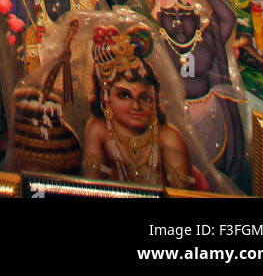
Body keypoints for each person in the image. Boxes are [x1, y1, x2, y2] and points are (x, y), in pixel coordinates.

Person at [147, 0, 245, 180]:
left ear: (195, 18)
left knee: (212, 172)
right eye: (170, 15)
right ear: (159, 19)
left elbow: (227, 19)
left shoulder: (206, 41)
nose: (177, 22)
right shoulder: (157, 46)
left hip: (211, 117)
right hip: (173, 121)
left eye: (183, 14)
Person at [82, 25, 194, 189]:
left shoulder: (168, 137)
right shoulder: (99, 130)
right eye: (124, 95)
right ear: (105, 98)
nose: (136, 106)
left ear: (156, 101)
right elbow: (90, 188)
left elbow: (182, 193)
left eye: (145, 97)